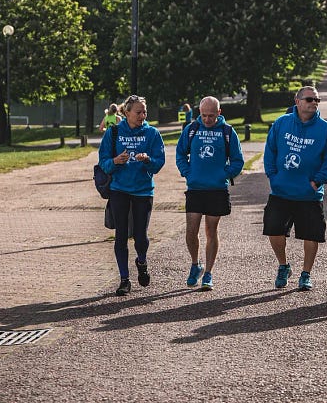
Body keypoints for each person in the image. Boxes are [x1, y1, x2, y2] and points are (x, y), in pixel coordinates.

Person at [263, 86, 327, 291]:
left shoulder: (325, 129)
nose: (314, 103)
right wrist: (273, 177)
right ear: (297, 101)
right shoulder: (281, 123)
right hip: (281, 191)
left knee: (311, 235)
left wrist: (317, 182)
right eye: (310, 99)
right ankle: (283, 266)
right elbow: (270, 151)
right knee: (274, 230)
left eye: (317, 100)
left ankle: (306, 274)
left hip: (309, 194)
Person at [97, 94, 166, 296]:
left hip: (143, 191)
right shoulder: (114, 132)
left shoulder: (152, 133)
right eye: (138, 112)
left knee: (140, 237)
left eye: (145, 112)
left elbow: (159, 162)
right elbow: (103, 162)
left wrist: (148, 160)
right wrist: (115, 161)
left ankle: (141, 262)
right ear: (126, 113)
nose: (142, 116)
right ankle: (124, 279)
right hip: (119, 190)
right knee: (120, 236)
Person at [176, 96, 244, 291]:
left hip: (217, 189)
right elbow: (180, 154)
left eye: (211, 116)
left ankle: (208, 273)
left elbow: (238, 161)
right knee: (191, 230)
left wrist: (224, 174)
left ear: (219, 113)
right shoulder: (191, 130)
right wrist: (188, 172)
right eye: (204, 115)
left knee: (211, 231)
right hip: (195, 188)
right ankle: (195, 264)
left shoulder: (227, 132)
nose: (207, 119)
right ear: (199, 113)